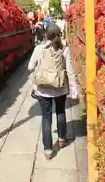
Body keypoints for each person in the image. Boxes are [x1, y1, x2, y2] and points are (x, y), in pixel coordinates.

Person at [27, 23, 78, 160]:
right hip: (60, 88)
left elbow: (30, 67)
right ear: (59, 34)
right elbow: (70, 72)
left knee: (46, 118)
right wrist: (74, 90)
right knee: (61, 112)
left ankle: (48, 149)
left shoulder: (39, 49)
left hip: (43, 89)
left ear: (45, 35)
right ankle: (62, 139)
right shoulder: (64, 49)